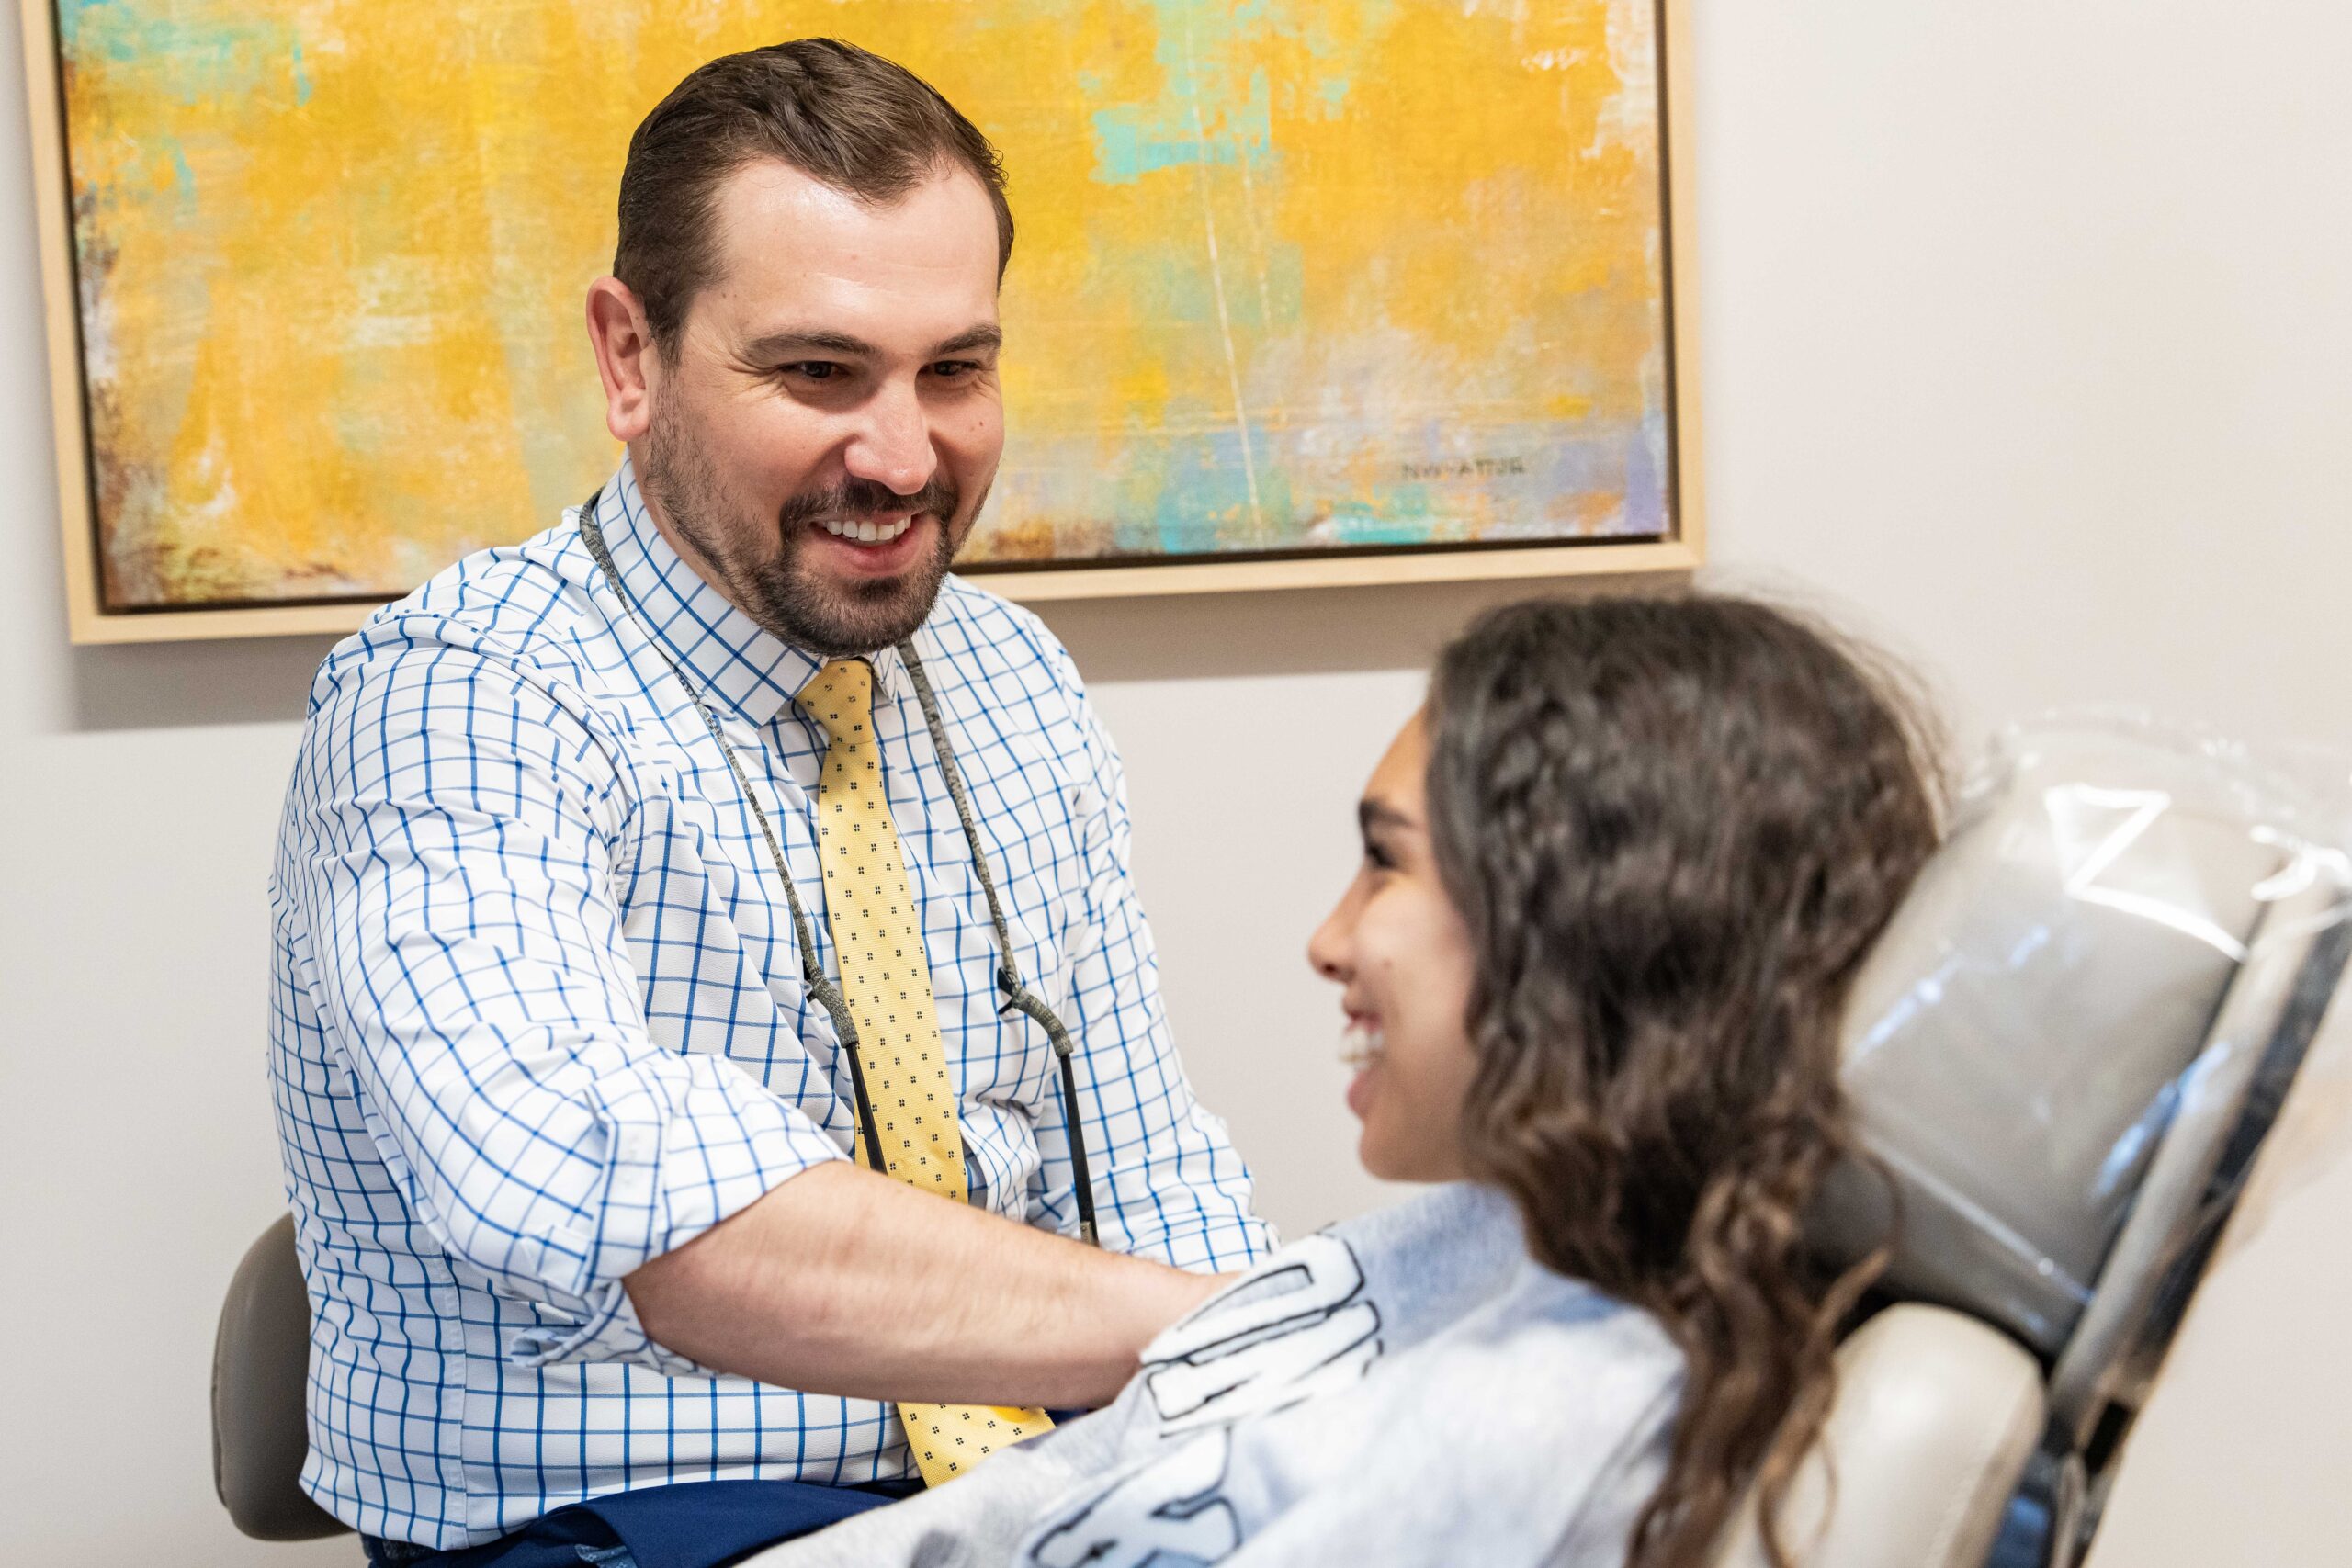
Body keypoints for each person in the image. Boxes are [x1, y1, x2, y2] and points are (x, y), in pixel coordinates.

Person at [267, 39, 1271, 1567]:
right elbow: (627, 1204)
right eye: (816, 372)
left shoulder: (1009, 675)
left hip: (1033, 1478)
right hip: (631, 1516)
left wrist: (1299, 1390)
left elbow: (1144, 1160)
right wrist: (1222, 1330)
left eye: (956, 370)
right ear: (630, 357)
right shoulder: (459, 697)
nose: (901, 456)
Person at [751, 592, 1945, 1568]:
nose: (1328, 938)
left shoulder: (1536, 1429)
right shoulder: (1513, 1261)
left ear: (1590, 923)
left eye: (1386, 865)